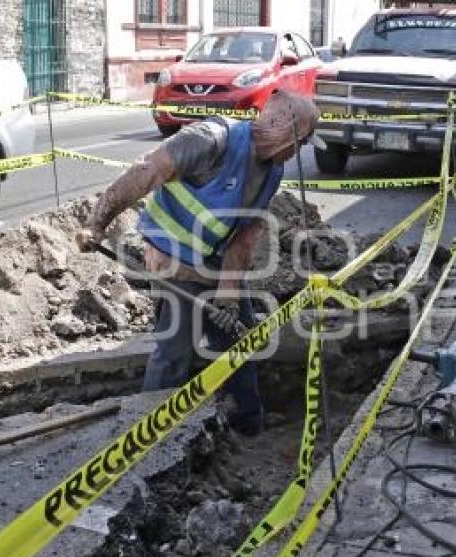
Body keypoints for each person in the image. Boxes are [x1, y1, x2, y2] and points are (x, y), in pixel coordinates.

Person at [76, 90, 320, 436]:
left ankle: (247, 422)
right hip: (171, 258)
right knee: (176, 350)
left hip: (214, 261)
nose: (301, 149)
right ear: (282, 125)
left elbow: (244, 235)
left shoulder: (272, 171)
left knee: (239, 340)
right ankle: (145, 437)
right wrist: (96, 223)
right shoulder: (211, 140)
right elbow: (146, 171)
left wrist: (228, 292)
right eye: (304, 139)